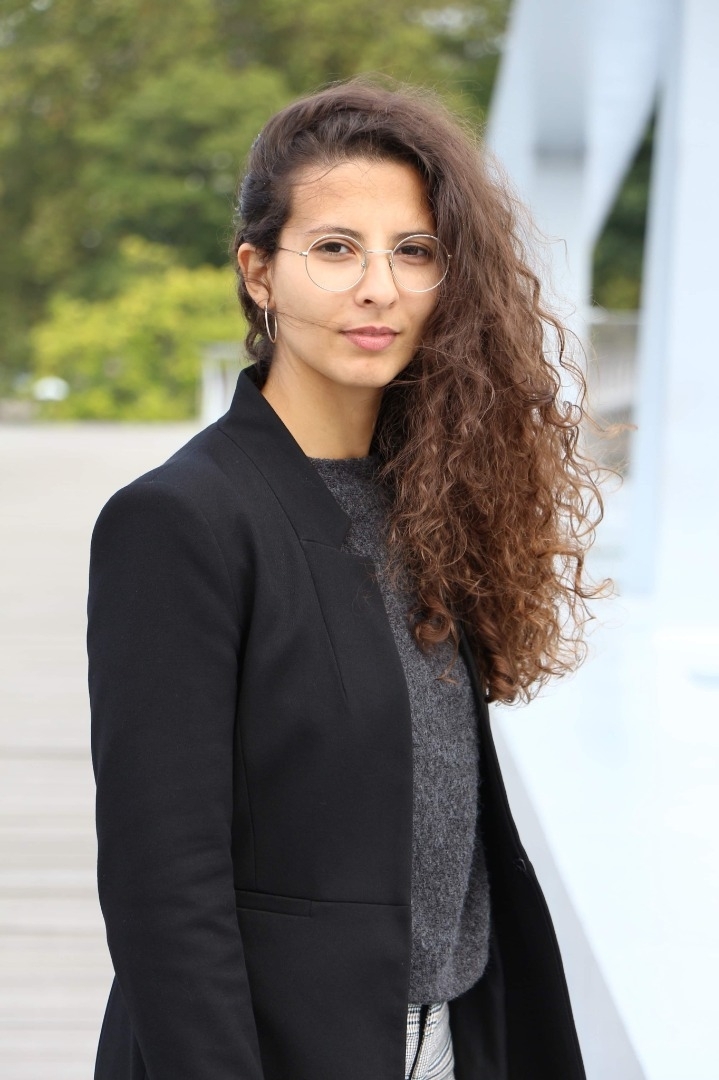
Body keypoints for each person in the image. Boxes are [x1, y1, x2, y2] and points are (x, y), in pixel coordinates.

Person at [88, 78, 606, 1080]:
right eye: (334, 248)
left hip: (457, 1033)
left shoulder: (429, 496)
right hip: (280, 1046)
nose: (379, 288)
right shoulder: (177, 522)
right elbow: (162, 881)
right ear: (258, 273)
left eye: (413, 251)